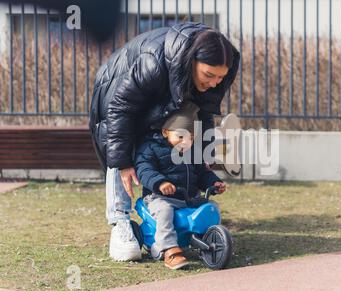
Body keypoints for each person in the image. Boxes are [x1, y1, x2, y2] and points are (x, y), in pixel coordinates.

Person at [89, 22, 240, 261]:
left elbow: (203, 112)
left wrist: (205, 155)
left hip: (154, 98)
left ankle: (181, 221)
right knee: (122, 156)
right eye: (209, 75)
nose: (214, 83)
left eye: (220, 78)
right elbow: (120, 108)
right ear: (192, 61)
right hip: (115, 94)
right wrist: (124, 163)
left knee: (180, 138)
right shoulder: (153, 63)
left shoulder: (204, 78)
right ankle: (121, 223)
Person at [134, 102, 226, 270]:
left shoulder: (193, 152)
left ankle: (208, 237)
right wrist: (160, 182)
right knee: (164, 211)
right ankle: (169, 249)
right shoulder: (151, 148)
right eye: (180, 137)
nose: (186, 142)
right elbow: (144, 169)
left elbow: (202, 173)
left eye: (191, 137)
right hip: (160, 197)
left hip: (188, 197)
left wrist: (213, 182)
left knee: (211, 206)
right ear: (165, 132)